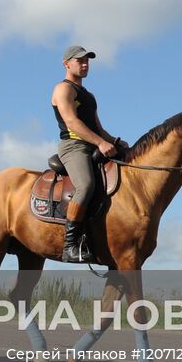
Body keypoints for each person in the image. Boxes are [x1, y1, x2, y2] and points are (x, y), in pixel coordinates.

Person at [50, 45, 128, 263]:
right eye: (79, 61)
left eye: (87, 61)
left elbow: (97, 127)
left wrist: (117, 142)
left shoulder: (88, 95)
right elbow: (72, 122)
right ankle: (70, 245)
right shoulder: (63, 89)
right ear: (66, 64)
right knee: (86, 185)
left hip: (93, 144)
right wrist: (101, 143)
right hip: (74, 146)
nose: (85, 64)